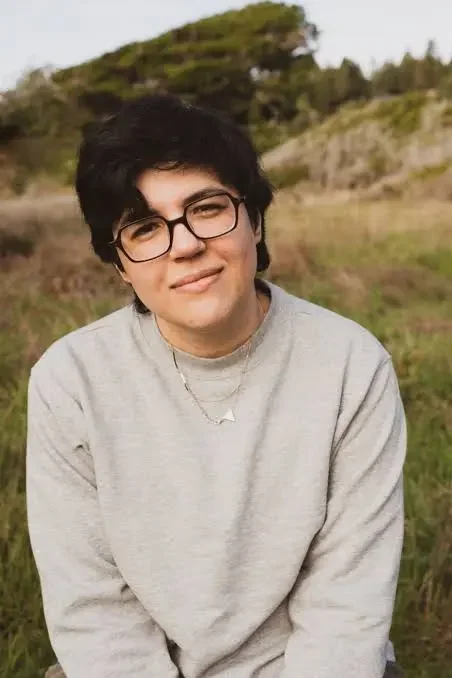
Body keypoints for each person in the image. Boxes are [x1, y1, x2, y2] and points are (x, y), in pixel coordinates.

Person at [26, 94, 406, 678]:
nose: (185, 246)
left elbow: (346, 608)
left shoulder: (352, 366)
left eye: (206, 208)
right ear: (119, 262)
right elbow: (94, 610)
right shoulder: (69, 382)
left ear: (254, 218)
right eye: (144, 228)